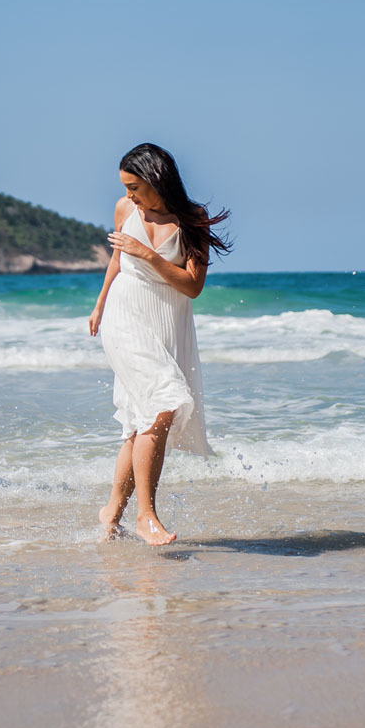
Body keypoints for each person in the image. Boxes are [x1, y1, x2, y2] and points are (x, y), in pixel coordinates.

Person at [89, 144, 230, 545]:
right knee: (163, 402)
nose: (129, 196)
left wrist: (148, 254)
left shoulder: (193, 220)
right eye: (126, 188)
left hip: (167, 320)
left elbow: (193, 287)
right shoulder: (123, 209)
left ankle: (111, 512)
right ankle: (146, 516)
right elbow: (117, 261)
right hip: (125, 315)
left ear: (156, 180)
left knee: (141, 418)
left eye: (135, 187)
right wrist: (99, 303)